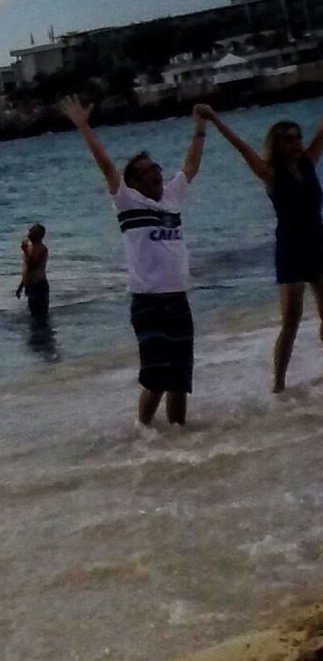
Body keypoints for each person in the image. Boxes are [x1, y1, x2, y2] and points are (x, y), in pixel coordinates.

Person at [58, 92, 203, 426]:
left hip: (178, 300)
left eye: (156, 168)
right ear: (133, 181)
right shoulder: (126, 201)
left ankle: (181, 442)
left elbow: (191, 165)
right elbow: (107, 166)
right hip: (148, 304)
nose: (155, 173)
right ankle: (143, 438)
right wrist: (83, 127)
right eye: (146, 170)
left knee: (179, 381)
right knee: (155, 379)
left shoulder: (171, 197)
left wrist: (199, 126)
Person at [197, 100, 323, 391]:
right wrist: (215, 119)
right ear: (277, 145)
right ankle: (278, 384)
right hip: (291, 250)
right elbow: (241, 147)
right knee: (291, 321)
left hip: (318, 243)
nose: (296, 142)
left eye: (297, 136)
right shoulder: (270, 174)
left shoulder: (309, 162)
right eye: (288, 139)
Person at [15, 224, 51, 331]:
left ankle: (43, 340)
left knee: (40, 316)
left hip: (39, 286)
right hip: (31, 286)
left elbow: (33, 265)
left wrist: (25, 251)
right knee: (34, 315)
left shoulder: (41, 249)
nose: (29, 231)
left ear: (38, 235)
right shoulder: (30, 246)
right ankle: (37, 340)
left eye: (32, 231)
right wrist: (21, 286)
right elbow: (27, 270)